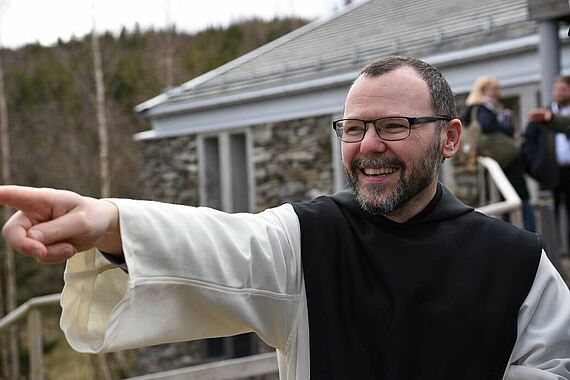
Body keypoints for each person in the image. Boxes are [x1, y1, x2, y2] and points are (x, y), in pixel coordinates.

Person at [1, 56, 570, 380]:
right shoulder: (311, 239)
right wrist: (108, 224)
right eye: (353, 129)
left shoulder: (518, 263)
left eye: (395, 126)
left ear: (449, 138)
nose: (369, 145)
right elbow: (220, 246)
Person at [461, 76, 536, 232]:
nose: (497, 93)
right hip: (504, 159)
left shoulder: (478, 109)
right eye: (494, 89)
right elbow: (489, 127)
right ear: (484, 91)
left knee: (506, 200)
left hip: (498, 159)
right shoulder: (484, 109)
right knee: (519, 199)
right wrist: (506, 127)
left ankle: (515, 234)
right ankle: (529, 234)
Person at [525, 75, 570, 252]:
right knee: (549, 216)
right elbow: (528, 141)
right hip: (550, 173)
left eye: (564, 89)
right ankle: (552, 255)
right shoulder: (541, 115)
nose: (559, 92)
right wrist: (536, 167)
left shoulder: (549, 117)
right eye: (557, 89)